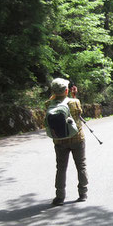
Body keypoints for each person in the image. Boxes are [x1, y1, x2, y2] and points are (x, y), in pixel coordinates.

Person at [46, 78, 88, 206]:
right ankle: (83, 193)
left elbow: (54, 102)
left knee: (61, 168)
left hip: (59, 140)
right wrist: (73, 95)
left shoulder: (48, 104)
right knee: (81, 165)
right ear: (67, 90)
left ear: (53, 91)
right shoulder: (75, 102)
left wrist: (57, 94)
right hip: (77, 139)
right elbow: (78, 114)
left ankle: (59, 197)